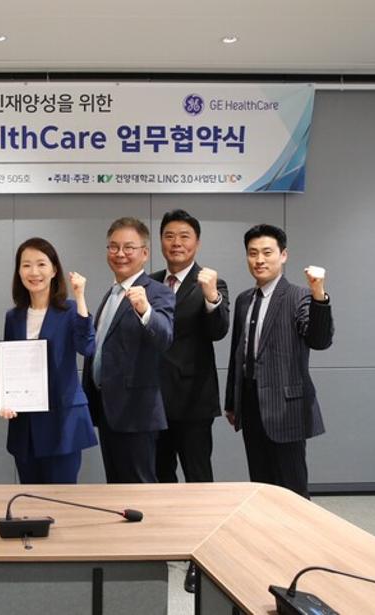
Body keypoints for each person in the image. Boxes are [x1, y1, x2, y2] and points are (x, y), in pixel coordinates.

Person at [150, 209, 229, 593]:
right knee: (160, 477)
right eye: (169, 236)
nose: (176, 243)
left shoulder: (210, 282)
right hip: (153, 400)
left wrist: (212, 296)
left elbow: (218, 331)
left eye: (184, 236)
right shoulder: (149, 282)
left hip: (193, 401)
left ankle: (203, 556)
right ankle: (167, 543)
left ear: (196, 242)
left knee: (198, 480)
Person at [224, 224, 333, 499]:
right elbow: (238, 353)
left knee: (292, 487)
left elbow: (320, 340)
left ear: (283, 255)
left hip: (287, 407)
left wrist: (319, 294)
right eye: (252, 253)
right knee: (260, 485)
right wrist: (232, 401)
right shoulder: (244, 300)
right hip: (250, 404)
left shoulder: (300, 295)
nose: (259, 260)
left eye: (267, 252)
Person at [82, 217, 175, 483]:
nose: (120, 253)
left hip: (136, 414)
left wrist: (146, 310)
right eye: (113, 247)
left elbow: (165, 337)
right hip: (108, 409)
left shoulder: (157, 292)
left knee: (140, 489)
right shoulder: (112, 293)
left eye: (129, 247)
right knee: (116, 488)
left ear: (144, 253)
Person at [0, 237, 98, 484]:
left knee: (61, 497)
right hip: (25, 426)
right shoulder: (13, 317)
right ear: (19, 272)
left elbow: (87, 347)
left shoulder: (71, 310)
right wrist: (5, 398)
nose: (34, 272)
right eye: (26, 265)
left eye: (41, 264)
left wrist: (80, 296)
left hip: (63, 421)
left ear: (54, 270)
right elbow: (9, 366)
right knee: (29, 497)